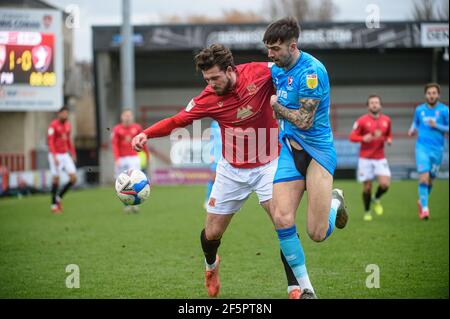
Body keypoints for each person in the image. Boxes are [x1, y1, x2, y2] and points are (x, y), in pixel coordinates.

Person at [132, 44, 300, 298]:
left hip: (269, 164)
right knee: (211, 234)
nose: (210, 84)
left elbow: (291, 69)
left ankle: (294, 287)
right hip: (231, 170)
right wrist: (146, 133)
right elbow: (178, 121)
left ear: (230, 70)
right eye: (206, 79)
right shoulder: (207, 98)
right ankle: (211, 266)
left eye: (214, 78)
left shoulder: (260, 72)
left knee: (283, 222)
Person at [263, 17, 349, 299]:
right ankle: (306, 288)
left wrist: (276, 107)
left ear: (293, 46)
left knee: (317, 233)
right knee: (282, 217)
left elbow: (304, 120)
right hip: (289, 150)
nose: (270, 55)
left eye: (275, 48)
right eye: (267, 48)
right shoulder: (276, 68)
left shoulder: (312, 71)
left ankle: (335, 201)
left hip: (317, 153)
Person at [408, 83, 449, 220]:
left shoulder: (444, 110)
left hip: (437, 149)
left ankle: (422, 201)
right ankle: (425, 209)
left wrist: (436, 125)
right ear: (425, 95)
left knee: (431, 180)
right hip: (422, 148)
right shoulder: (419, 110)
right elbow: (416, 123)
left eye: (434, 93)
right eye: (429, 93)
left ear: (438, 95)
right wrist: (412, 129)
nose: (431, 95)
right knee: (424, 177)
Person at [349, 95, 392, 221]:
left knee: (385, 185)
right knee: (367, 187)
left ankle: (376, 198)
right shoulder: (361, 121)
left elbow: (388, 134)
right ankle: (367, 211)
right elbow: (352, 137)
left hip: (380, 158)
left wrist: (389, 139)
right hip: (365, 158)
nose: (374, 104)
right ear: (368, 106)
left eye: (376, 102)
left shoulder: (387, 120)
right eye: (372, 103)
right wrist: (362, 138)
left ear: (380, 105)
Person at [112, 109, 149, 213]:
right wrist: (117, 158)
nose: (127, 118)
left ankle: (135, 203)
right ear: (122, 117)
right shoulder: (117, 129)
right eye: (125, 115)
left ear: (132, 117)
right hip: (122, 159)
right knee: (121, 183)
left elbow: (143, 142)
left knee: (134, 181)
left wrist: (146, 153)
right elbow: (115, 144)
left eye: (129, 115)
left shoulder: (137, 128)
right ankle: (126, 204)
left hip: (133, 158)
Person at [47, 106, 77, 214]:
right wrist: (54, 156)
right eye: (63, 113)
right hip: (55, 155)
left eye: (66, 113)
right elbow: (50, 142)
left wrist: (72, 153)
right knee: (56, 179)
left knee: (73, 178)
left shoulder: (68, 125)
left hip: (65, 155)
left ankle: (58, 197)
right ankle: (53, 205)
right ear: (58, 114)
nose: (65, 115)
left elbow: (68, 140)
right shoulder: (53, 125)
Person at [204, 120, 222, 209]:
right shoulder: (214, 123)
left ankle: (225, 202)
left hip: (229, 155)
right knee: (213, 179)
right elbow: (213, 139)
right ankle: (208, 200)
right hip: (217, 155)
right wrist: (211, 153)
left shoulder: (230, 118)